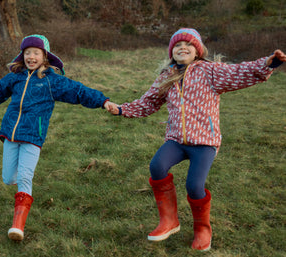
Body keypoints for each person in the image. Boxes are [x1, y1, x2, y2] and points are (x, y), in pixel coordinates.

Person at [106, 28, 286, 251]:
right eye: (178, 45)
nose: (183, 48)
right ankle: (169, 221)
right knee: (157, 166)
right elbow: (149, 102)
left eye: (189, 45)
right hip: (177, 139)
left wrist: (266, 64)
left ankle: (202, 229)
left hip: (204, 142)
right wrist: (123, 109)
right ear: (172, 52)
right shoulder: (167, 76)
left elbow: (239, 72)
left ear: (198, 51)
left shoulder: (211, 71)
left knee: (194, 185)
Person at [0, 34, 113, 241]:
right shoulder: (15, 76)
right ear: (22, 55)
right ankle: (21, 187)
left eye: (36, 53)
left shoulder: (51, 81)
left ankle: (18, 226)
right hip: (10, 134)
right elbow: (0, 90)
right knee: (8, 178)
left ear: (45, 56)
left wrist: (103, 101)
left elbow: (78, 91)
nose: (31, 57)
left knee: (25, 176)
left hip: (34, 136)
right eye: (27, 53)